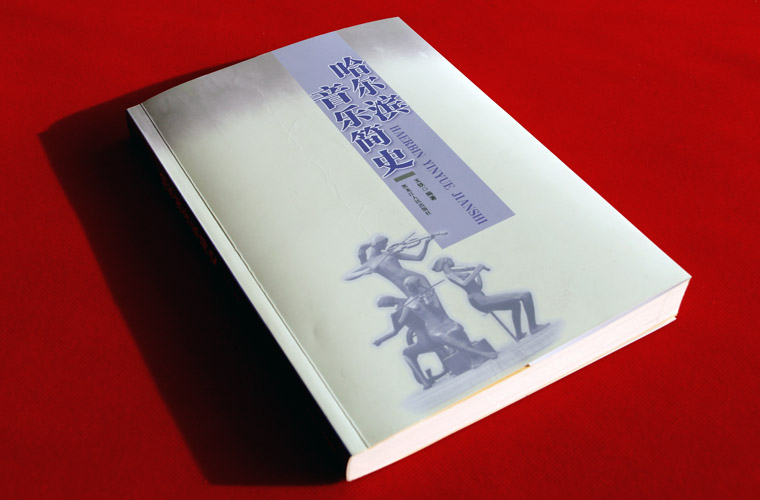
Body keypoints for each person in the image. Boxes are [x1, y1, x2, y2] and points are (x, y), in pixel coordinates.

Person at [432, 257, 549, 339]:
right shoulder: (450, 274)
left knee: (515, 304)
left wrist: (478, 273)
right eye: (450, 260)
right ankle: (533, 327)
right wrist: (477, 269)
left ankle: (519, 334)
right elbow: (464, 283)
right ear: (445, 262)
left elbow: (478, 287)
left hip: (480, 297)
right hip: (479, 300)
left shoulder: (455, 272)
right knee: (525, 295)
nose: (453, 261)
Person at [344, 232, 443, 296]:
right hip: (404, 285)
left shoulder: (390, 253)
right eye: (384, 243)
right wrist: (363, 272)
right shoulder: (369, 264)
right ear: (377, 244)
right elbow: (347, 276)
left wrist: (426, 243)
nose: (386, 245)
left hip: (417, 278)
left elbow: (418, 258)